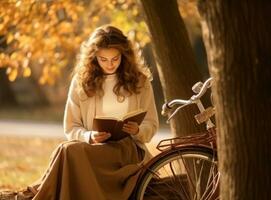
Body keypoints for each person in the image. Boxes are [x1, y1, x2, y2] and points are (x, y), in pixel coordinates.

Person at [29, 25, 159, 200]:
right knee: (66, 149)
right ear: (93, 58)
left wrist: (138, 130)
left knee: (68, 151)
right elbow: (71, 126)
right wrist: (89, 136)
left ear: (124, 56)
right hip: (94, 149)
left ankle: (42, 194)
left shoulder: (140, 82)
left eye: (115, 58)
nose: (110, 64)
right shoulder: (81, 82)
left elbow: (151, 123)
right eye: (103, 59)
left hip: (127, 152)